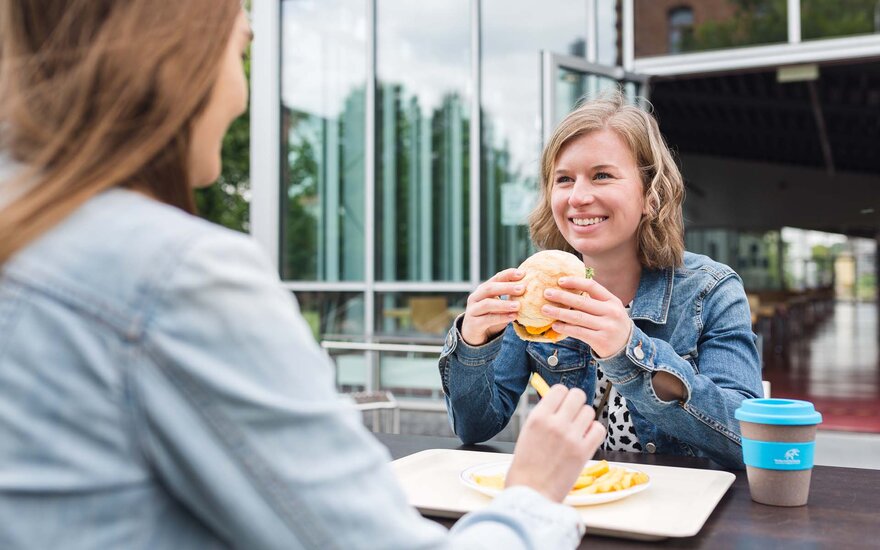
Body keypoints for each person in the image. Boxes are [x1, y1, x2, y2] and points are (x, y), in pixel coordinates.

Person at [0, 2, 607, 548]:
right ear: (174, 54)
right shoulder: (177, 276)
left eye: (603, 177)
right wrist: (531, 494)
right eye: (240, 52)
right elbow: (469, 430)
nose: (241, 95)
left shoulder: (35, 243)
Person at [439, 91, 763, 470]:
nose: (577, 197)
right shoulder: (535, 291)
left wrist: (628, 348)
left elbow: (748, 440)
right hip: (574, 503)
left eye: (602, 176)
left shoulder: (712, 291)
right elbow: (475, 427)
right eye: (563, 179)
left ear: (652, 196)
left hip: (682, 511)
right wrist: (475, 343)